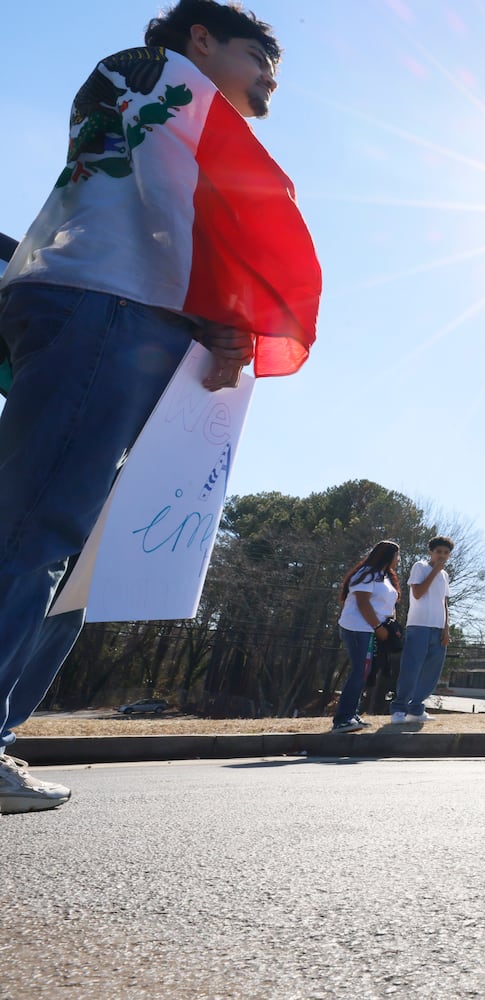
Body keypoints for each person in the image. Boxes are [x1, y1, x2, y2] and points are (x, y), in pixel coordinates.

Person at [0, 1, 318, 815]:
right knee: (37, 529)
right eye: (258, 61)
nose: (268, 85)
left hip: (127, 320)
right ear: (201, 40)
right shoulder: (148, 75)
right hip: (103, 307)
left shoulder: (163, 93)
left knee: (73, 556)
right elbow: (177, 195)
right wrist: (223, 310)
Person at [331, 541, 402, 733]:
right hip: (358, 628)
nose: (399, 559)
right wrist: (377, 626)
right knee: (359, 671)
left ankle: (351, 715)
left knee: (364, 672)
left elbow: (385, 604)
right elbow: (362, 602)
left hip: (370, 630)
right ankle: (342, 719)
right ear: (388, 555)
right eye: (397, 555)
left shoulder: (385, 577)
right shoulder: (367, 573)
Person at [391, 535, 454, 724]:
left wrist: (446, 628)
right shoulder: (421, 566)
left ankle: (416, 709)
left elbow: (444, 602)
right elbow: (417, 593)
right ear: (431, 552)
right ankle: (399, 709)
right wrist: (435, 570)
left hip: (438, 628)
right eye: (438, 552)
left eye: (445, 553)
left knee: (431, 671)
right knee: (411, 668)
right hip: (419, 626)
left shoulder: (445, 575)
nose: (442, 556)